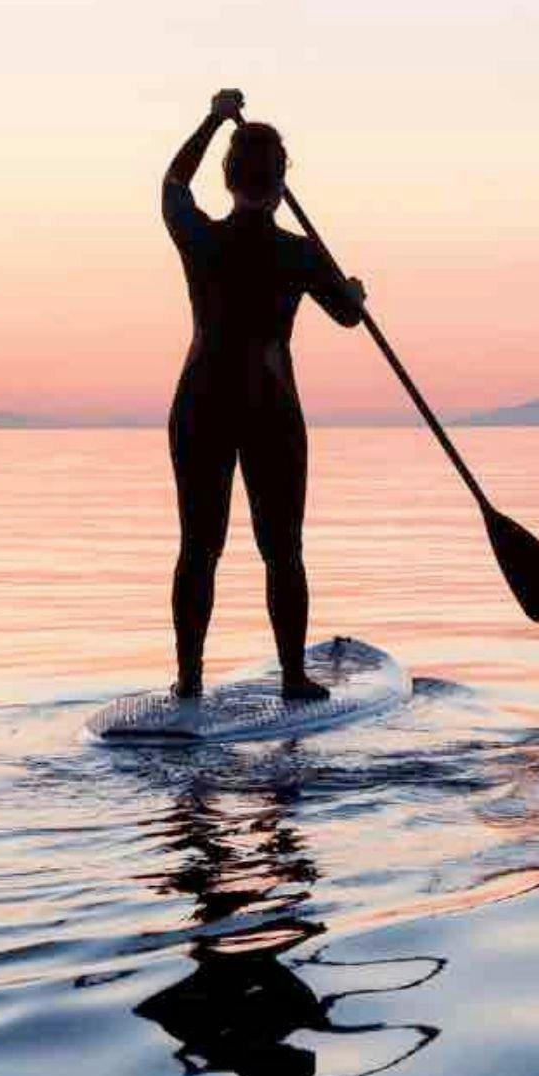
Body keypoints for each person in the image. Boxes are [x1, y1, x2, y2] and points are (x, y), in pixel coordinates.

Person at [162, 91, 366, 702]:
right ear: (279, 184)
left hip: (200, 403)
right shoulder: (300, 253)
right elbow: (349, 316)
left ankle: (189, 682)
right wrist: (353, 289)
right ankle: (294, 679)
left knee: (199, 548)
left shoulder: (199, 238)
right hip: (269, 411)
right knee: (283, 551)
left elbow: (172, 183)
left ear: (227, 179)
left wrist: (212, 118)